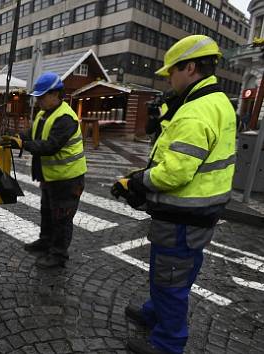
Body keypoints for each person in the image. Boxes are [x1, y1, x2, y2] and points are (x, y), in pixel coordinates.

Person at [111, 35, 236, 354]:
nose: (169, 78)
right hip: (199, 212)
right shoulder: (215, 101)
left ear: (190, 67)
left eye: (172, 71)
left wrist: (136, 183)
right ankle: (156, 313)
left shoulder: (195, 112)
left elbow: (175, 172)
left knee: (171, 279)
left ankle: (168, 343)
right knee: (175, 271)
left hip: (183, 215)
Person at [1, 71, 86, 269]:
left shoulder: (66, 118)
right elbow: (32, 134)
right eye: (37, 96)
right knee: (47, 213)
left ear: (56, 94)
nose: (38, 100)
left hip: (68, 179)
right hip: (51, 177)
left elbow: (50, 146)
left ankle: (58, 254)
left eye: (42, 96)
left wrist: (23, 145)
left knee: (62, 218)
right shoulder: (43, 113)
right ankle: (45, 241)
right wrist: (16, 138)